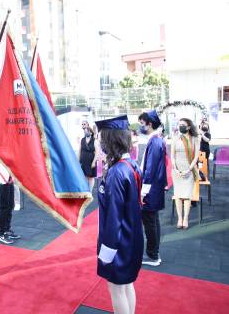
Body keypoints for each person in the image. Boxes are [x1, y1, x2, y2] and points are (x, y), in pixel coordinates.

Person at [95, 115, 143, 314]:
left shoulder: (116, 172)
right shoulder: (131, 164)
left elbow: (114, 218)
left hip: (119, 241)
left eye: (101, 139)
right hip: (132, 236)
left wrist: (107, 251)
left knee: (116, 288)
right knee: (126, 285)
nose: (99, 143)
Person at [138, 110, 166, 267]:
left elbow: (150, 169)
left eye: (142, 123)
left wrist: (143, 191)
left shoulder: (155, 141)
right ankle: (154, 253)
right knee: (153, 221)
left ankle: (152, 255)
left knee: (150, 222)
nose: (141, 126)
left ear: (149, 124)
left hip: (151, 189)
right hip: (154, 188)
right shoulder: (156, 140)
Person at [171, 118, 200, 230]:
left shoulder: (195, 139)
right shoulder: (175, 138)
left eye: (182, 125)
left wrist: (189, 169)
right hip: (177, 170)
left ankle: (186, 219)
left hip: (189, 170)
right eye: (179, 124)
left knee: (187, 196)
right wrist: (175, 168)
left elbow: (196, 156)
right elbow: (172, 156)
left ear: (188, 127)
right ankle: (179, 218)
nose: (180, 126)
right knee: (178, 195)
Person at [0, 159, 21, 244]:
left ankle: (7, 229)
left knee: (10, 205)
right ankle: (2, 234)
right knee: (4, 208)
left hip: (9, 181)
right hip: (2, 182)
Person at [79, 124, 97, 189]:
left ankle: (90, 191)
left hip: (91, 161)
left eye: (88, 131)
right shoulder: (82, 140)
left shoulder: (94, 140)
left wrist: (94, 162)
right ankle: (86, 190)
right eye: (85, 131)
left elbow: (97, 152)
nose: (86, 132)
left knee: (91, 177)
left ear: (91, 132)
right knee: (85, 176)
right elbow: (79, 150)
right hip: (83, 160)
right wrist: (79, 160)